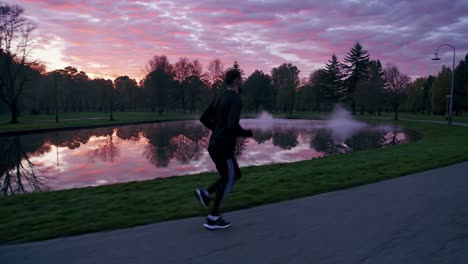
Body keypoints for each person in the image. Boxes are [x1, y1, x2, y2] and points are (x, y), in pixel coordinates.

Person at [195, 69, 253, 230]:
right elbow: (232, 126)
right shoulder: (235, 99)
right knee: (229, 178)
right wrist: (246, 133)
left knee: (234, 175)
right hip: (224, 147)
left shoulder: (220, 97)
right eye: (240, 80)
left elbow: (203, 118)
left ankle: (205, 194)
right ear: (236, 81)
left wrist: (216, 129)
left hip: (214, 145)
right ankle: (213, 217)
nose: (240, 83)